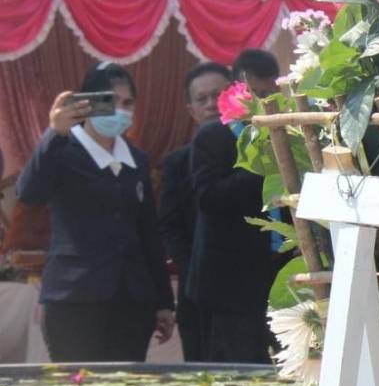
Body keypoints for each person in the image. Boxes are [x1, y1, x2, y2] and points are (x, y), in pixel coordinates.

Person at [17, 63, 175, 361]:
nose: (120, 111)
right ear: (87, 103)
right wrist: (53, 134)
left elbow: (148, 233)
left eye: (128, 103)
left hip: (132, 299)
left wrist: (163, 301)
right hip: (74, 297)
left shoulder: (137, 159)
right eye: (111, 101)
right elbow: (29, 192)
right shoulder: (62, 149)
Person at [188, 49, 282, 363]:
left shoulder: (285, 132)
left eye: (269, 93)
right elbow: (208, 197)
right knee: (241, 374)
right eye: (256, 93)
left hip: (279, 273)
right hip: (232, 284)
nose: (262, 101)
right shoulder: (214, 136)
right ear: (240, 89)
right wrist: (260, 167)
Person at [159, 62, 233, 361]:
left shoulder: (260, 152)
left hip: (252, 289)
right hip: (197, 289)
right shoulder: (177, 163)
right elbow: (170, 225)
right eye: (201, 99)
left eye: (217, 95)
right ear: (190, 110)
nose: (211, 105)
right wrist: (192, 267)